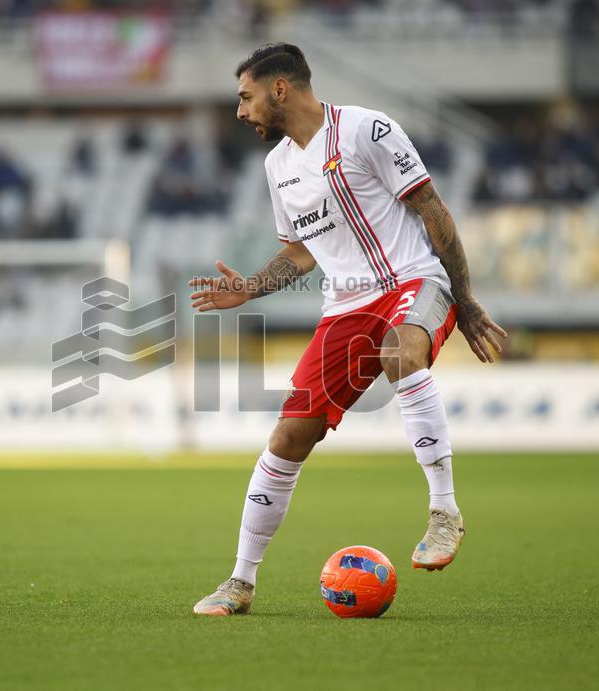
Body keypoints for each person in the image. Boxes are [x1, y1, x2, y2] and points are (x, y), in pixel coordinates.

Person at [189, 44, 506, 616]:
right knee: (288, 437)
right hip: (346, 308)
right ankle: (240, 581)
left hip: (413, 280)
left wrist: (463, 299)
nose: (240, 110)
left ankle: (444, 511)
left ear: (280, 89)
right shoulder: (277, 166)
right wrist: (252, 287)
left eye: (246, 97)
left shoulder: (366, 130)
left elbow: (432, 208)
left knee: (400, 353)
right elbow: (301, 251)